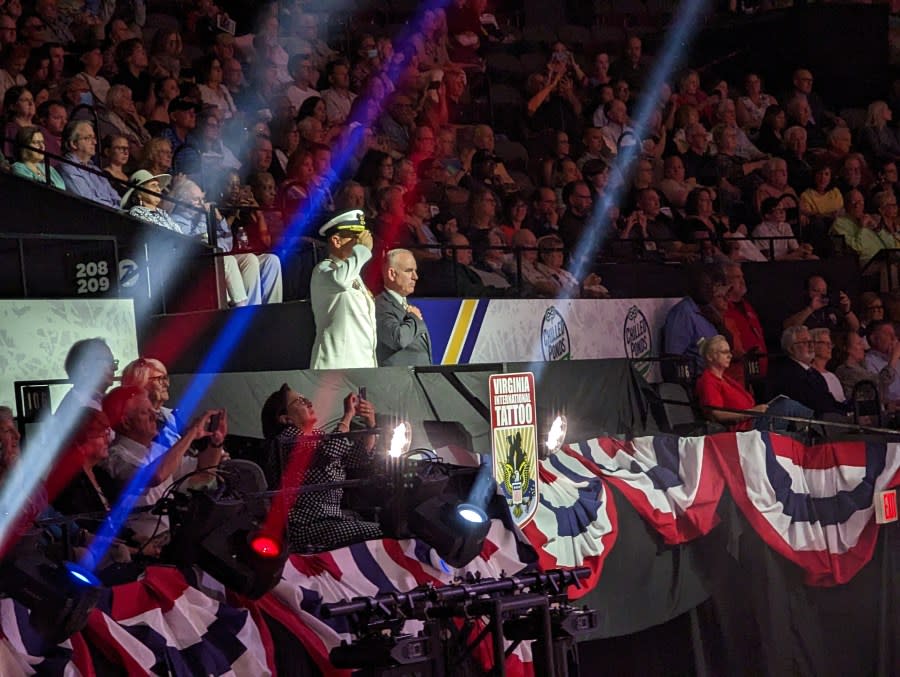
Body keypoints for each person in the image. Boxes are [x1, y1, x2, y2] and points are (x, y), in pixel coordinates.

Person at [100, 385, 225, 548]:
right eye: (145, 412)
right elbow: (155, 476)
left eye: (153, 410)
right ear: (126, 422)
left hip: (168, 538)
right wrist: (192, 433)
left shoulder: (158, 450)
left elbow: (203, 474)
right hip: (136, 544)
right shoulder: (115, 457)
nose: (155, 415)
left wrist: (216, 443)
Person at [260, 385, 381, 550]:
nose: (309, 403)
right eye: (300, 401)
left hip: (330, 521)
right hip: (306, 527)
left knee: (385, 524)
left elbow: (360, 457)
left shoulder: (317, 438)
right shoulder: (287, 440)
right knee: (381, 533)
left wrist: (371, 424)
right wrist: (347, 416)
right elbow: (330, 451)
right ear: (285, 418)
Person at [168, 177, 283, 307]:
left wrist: (219, 219)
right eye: (196, 200)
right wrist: (205, 217)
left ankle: (267, 308)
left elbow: (227, 243)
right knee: (229, 259)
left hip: (222, 256)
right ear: (182, 201)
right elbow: (204, 244)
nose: (201, 204)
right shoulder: (176, 220)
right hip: (200, 263)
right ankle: (242, 310)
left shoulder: (203, 215)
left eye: (202, 199)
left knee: (266, 259)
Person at [696, 335, 811, 432]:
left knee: (787, 409)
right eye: (724, 352)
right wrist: (752, 412)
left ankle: (817, 431)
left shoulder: (726, 378)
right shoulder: (708, 380)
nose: (730, 355)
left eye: (730, 351)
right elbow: (718, 414)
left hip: (753, 420)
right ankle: (821, 431)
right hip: (745, 428)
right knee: (787, 406)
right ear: (710, 356)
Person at [310, 210, 378, 369]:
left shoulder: (354, 275)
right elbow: (341, 280)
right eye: (355, 237)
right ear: (336, 241)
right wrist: (363, 250)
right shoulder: (323, 270)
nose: (361, 242)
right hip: (336, 365)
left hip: (362, 364)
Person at [767, 326, 850, 418]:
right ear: (791, 349)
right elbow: (815, 405)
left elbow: (829, 402)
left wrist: (852, 411)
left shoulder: (815, 374)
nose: (811, 346)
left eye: (811, 342)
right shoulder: (787, 374)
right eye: (805, 342)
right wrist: (845, 415)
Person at [375, 249, 432, 366]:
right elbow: (398, 339)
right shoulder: (380, 305)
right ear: (392, 274)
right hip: (400, 380)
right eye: (409, 271)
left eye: (415, 271)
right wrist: (414, 318)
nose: (415, 277)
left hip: (417, 378)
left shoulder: (405, 305)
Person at [58, 120, 122, 208]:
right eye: (88, 138)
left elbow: (116, 198)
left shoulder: (95, 169)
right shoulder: (68, 168)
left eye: (94, 138)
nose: (94, 142)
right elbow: (88, 201)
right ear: (73, 143)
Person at [120, 357, 180, 448]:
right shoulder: (137, 424)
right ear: (141, 384)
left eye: (166, 378)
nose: (167, 384)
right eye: (160, 379)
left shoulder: (170, 415)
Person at [56, 337, 118, 417]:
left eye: (113, 362)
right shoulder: (71, 414)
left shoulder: (110, 402)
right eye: (108, 361)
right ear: (85, 367)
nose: (115, 368)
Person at [783, 274, 860, 332]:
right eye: (816, 290)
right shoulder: (800, 308)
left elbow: (855, 328)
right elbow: (788, 329)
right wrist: (810, 309)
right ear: (807, 292)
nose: (821, 294)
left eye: (823, 290)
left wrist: (847, 311)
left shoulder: (830, 308)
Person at [864, 320, 900, 407]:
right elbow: (878, 391)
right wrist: (894, 358)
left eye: (894, 336)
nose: (894, 339)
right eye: (889, 335)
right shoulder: (869, 361)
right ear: (874, 339)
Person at [810, 328, 845, 403]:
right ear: (813, 345)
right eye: (825, 343)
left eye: (830, 344)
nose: (829, 347)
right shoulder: (808, 374)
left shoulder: (832, 377)